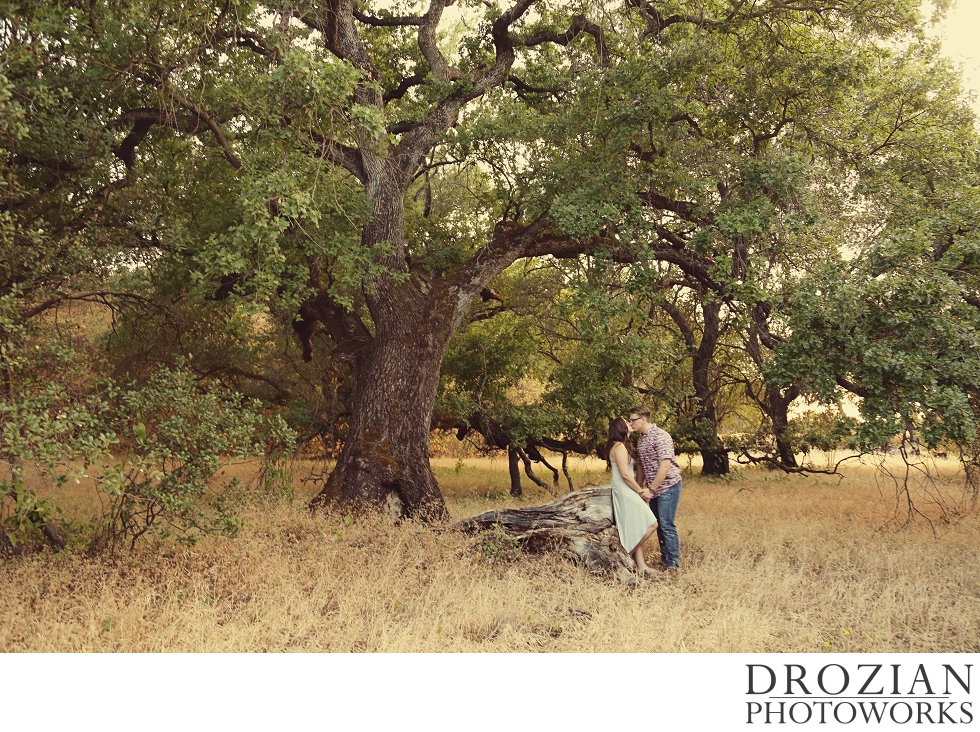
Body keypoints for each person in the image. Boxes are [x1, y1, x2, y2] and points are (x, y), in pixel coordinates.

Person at [630, 405, 683, 573]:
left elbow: (665, 466)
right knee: (658, 524)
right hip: (653, 489)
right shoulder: (641, 439)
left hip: (668, 486)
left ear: (643, 419)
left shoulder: (661, 436)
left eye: (633, 420)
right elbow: (641, 467)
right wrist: (638, 489)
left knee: (666, 524)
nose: (631, 423)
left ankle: (673, 564)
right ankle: (665, 559)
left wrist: (651, 489)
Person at [606, 417, 659, 576]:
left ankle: (641, 566)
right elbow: (625, 475)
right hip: (624, 489)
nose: (630, 424)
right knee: (652, 524)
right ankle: (623, 557)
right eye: (627, 422)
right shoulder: (619, 446)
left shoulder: (622, 445)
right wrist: (641, 491)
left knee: (635, 526)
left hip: (625, 488)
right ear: (621, 427)